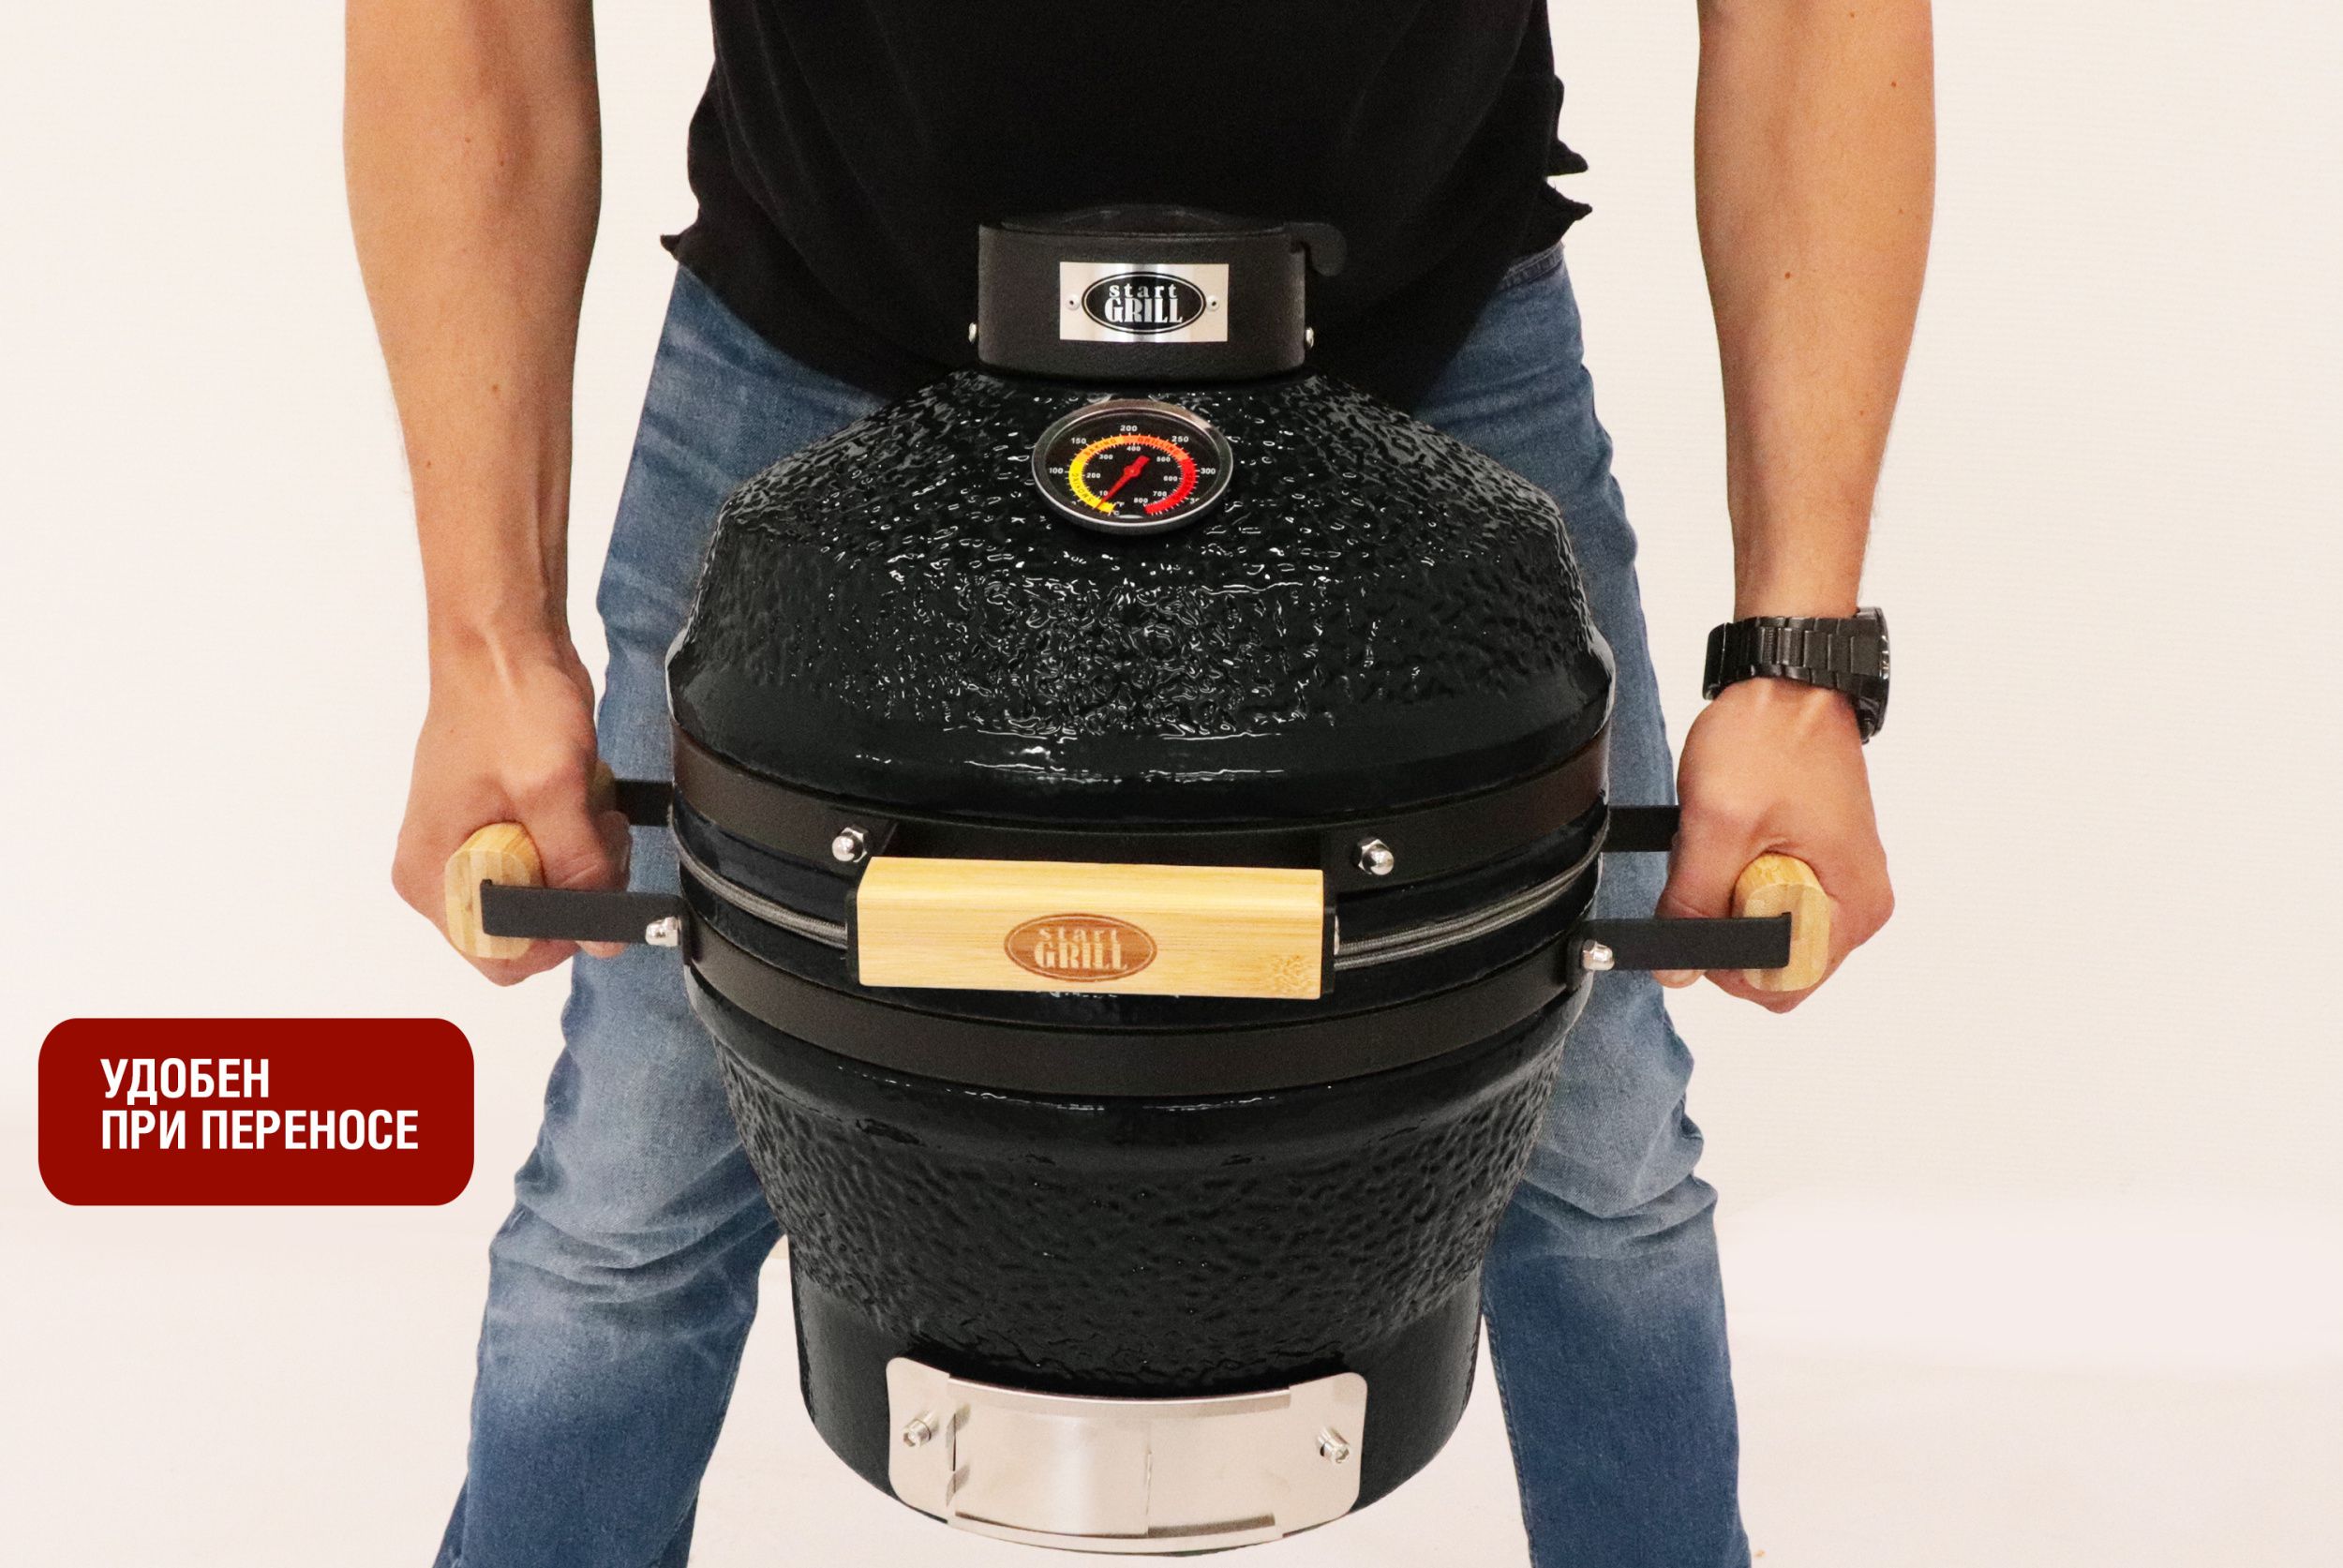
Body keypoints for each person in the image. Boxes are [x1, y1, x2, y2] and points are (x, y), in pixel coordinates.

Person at [346, 2, 1930, 1563]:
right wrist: (486, 638)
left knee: (1601, 1163)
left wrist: (1798, 658)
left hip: (1426, 333)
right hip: (828, 327)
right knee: (629, 1198)